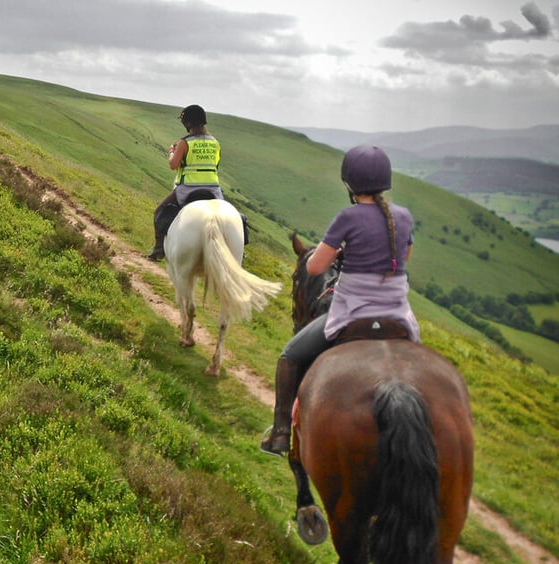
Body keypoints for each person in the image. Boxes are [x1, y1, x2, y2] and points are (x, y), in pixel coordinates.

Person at [259, 144, 421, 455]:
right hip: (398, 314)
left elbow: (315, 268)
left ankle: (280, 433)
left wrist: (341, 253)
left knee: (289, 356)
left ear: (349, 184)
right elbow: (405, 256)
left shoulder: (347, 217)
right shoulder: (402, 216)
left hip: (351, 311)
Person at [146, 104, 224, 261]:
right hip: (214, 189)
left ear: (187, 123)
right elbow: (216, 165)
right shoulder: (215, 142)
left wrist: (172, 153)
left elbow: (173, 165)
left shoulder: (185, 142)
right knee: (231, 216)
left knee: (159, 211)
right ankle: (239, 251)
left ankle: (159, 249)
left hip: (188, 188)